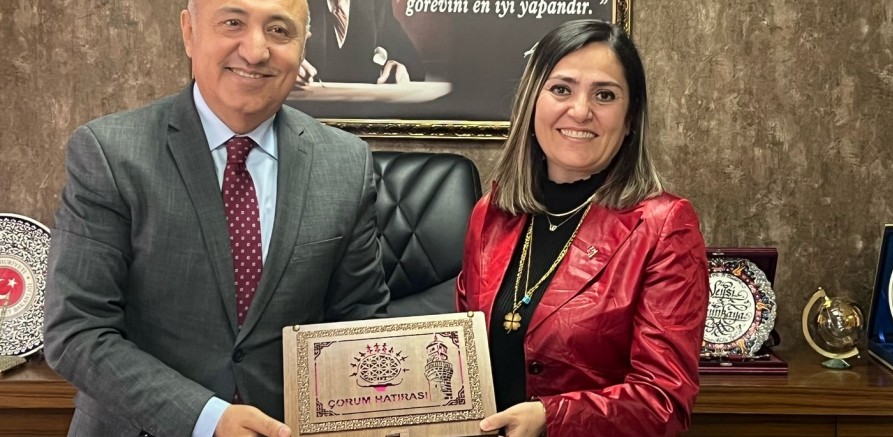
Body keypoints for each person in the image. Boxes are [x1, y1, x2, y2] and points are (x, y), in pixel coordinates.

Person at [42, 0, 388, 435]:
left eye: (279, 31)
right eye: (233, 23)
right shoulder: (109, 153)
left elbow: (359, 320)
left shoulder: (346, 163)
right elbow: (77, 331)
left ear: (303, 46)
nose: (255, 51)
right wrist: (207, 419)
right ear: (189, 32)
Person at [455, 19, 709, 437]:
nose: (580, 111)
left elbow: (664, 403)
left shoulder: (665, 226)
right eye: (561, 89)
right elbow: (462, 360)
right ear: (532, 102)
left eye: (604, 95)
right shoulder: (491, 214)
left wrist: (550, 418)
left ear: (630, 118)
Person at [297, 0, 424, 84]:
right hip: (308, 110)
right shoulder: (291, 4)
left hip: (364, 112)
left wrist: (398, 67)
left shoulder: (376, 3)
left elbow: (413, 65)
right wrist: (288, 67)